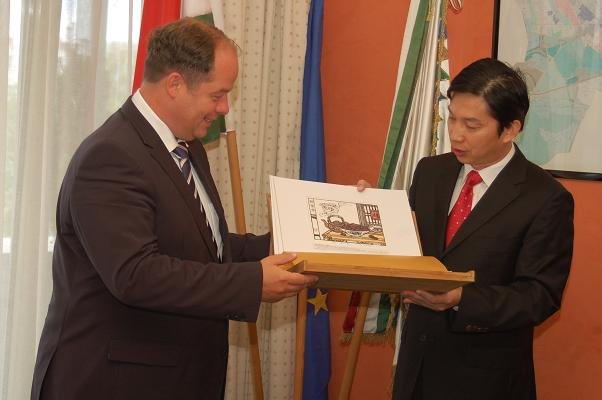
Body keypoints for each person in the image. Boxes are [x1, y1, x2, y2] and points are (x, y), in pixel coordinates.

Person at [31, 18, 317, 400]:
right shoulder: (111, 155)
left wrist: (298, 242)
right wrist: (252, 283)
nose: (224, 108)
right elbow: (136, 274)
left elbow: (205, 248)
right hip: (115, 383)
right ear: (175, 84)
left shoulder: (186, 147)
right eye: (217, 95)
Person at [360, 58, 574, 399]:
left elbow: (539, 296)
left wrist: (462, 299)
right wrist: (368, 210)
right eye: (452, 118)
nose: (456, 134)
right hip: (416, 370)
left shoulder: (545, 198)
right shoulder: (430, 171)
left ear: (510, 129)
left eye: (472, 125)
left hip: (485, 379)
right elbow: (405, 247)